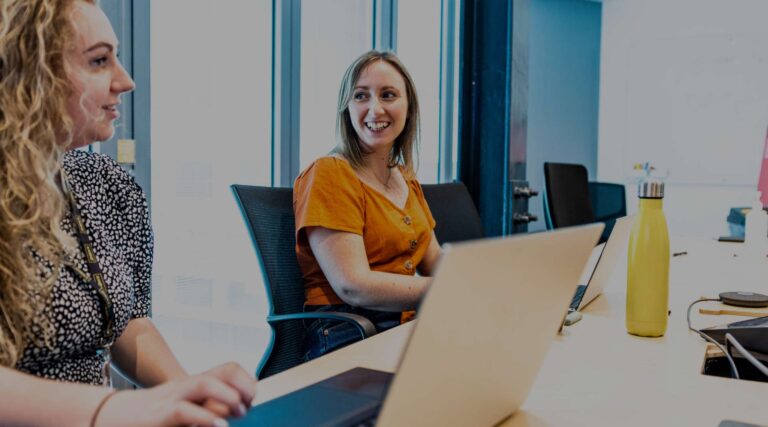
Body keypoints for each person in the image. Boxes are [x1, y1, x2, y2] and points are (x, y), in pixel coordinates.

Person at [0, 1, 256, 425]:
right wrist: (113, 409)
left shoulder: (107, 184)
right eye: (99, 61)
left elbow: (128, 322)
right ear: (29, 73)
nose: (126, 80)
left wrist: (187, 397)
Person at [293, 51, 442, 360]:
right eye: (361, 96)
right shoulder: (330, 172)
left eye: (388, 95)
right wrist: (448, 290)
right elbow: (353, 285)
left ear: (408, 107)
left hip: (402, 325)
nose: (375, 109)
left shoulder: (406, 180)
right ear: (347, 107)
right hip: (349, 332)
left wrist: (483, 282)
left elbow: (436, 261)